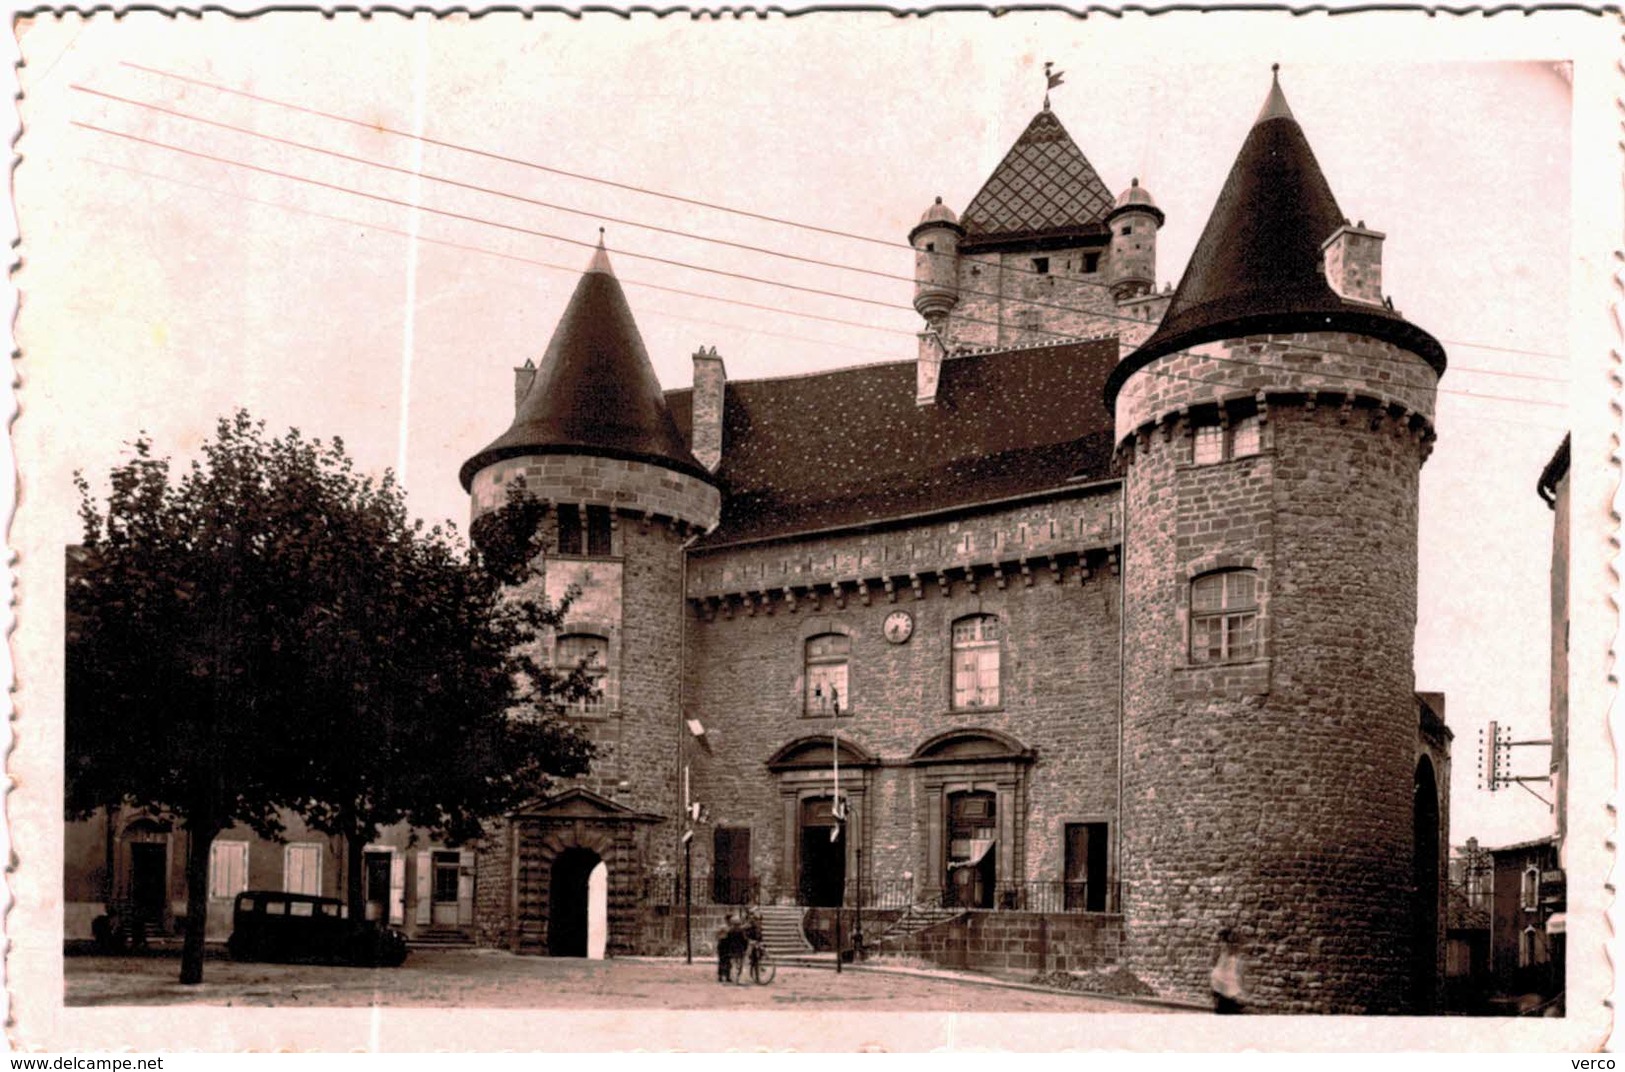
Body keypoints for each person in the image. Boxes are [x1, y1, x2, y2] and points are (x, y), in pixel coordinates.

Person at [1211, 927, 1247, 1014]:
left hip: (1226, 992)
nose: (1220, 944)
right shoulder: (1224, 955)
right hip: (1222, 991)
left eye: (1222, 941)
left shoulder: (1228, 956)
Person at [716, 914, 738, 983]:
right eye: (731, 919)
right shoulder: (724, 927)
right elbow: (719, 934)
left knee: (728, 961)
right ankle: (721, 976)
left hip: (728, 945)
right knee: (722, 960)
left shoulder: (730, 927)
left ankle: (727, 976)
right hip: (723, 944)